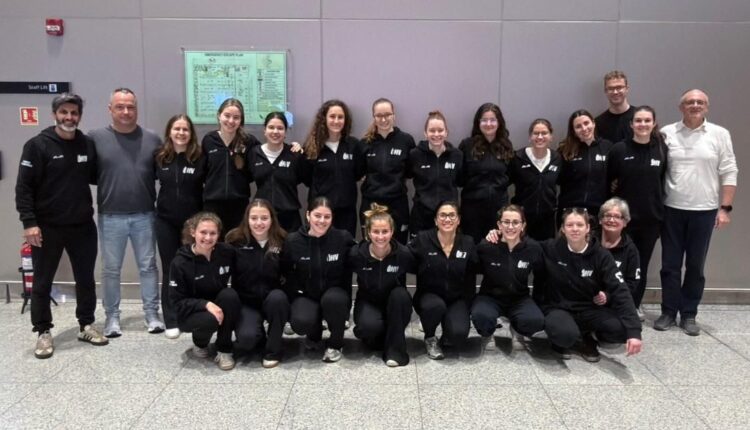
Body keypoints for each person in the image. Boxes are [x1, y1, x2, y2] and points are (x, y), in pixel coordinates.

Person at [15, 93, 108, 358]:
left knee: (85, 279)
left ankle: (86, 325)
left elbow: (97, 176)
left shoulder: (86, 144)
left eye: (74, 113)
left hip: (82, 225)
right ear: (54, 114)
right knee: (42, 281)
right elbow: (23, 188)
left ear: (80, 116)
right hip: (46, 228)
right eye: (64, 112)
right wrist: (29, 223)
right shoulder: (37, 145)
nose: (69, 117)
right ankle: (43, 331)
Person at [656, 89, 738, 336]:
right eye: (690, 102)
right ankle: (668, 311)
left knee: (695, 266)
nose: (695, 105)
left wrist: (725, 208)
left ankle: (689, 313)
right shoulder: (667, 133)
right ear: (681, 107)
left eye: (700, 102)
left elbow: (729, 170)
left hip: (704, 211)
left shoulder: (719, 134)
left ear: (707, 107)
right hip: (671, 209)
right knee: (669, 265)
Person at [89, 88, 164, 337]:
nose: (126, 111)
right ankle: (112, 318)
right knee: (111, 269)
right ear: (110, 109)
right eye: (120, 106)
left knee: (148, 266)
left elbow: (160, 172)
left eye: (131, 107)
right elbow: (90, 173)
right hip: (111, 215)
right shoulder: (95, 138)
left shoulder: (152, 139)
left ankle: (152, 315)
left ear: (136, 109)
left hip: (145, 214)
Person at [534, 208, 642, 362]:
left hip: (589, 308)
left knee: (622, 329)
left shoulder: (601, 255)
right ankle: (572, 338)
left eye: (580, 225)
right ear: (563, 229)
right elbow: (522, 246)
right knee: (564, 335)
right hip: (558, 307)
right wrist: (501, 237)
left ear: (588, 228)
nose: (575, 229)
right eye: (570, 225)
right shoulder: (550, 248)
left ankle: (586, 336)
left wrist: (634, 332)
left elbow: (621, 290)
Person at [607, 106, 668, 316]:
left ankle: (634, 304)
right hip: (622, 220)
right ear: (631, 124)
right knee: (617, 263)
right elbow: (609, 182)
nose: (643, 124)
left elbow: (662, 181)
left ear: (654, 123)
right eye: (638, 121)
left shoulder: (661, 149)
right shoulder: (619, 150)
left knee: (640, 265)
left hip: (651, 219)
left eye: (647, 120)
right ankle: (614, 303)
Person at [280, 197, 355, 362]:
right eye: (317, 215)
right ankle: (314, 334)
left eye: (327, 216)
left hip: (334, 294)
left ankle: (335, 344)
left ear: (332, 218)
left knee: (334, 300)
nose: (322, 221)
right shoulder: (293, 241)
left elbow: (353, 265)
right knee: (300, 322)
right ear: (308, 215)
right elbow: (286, 272)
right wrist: (294, 295)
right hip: (307, 294)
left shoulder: (343, 238)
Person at [154, 114, 205, 339]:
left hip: (192, 224)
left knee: (193, 268)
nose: (181, 133)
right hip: (165, 221)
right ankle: (171, 318)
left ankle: (192, 313)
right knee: (170, 268)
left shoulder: (200, 157)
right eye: (177, 129)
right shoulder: (159, 157)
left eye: (185, 129)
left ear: (191, 133)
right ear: (169, 132)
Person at [169, 212, 240, 370]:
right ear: (193, 232)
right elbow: (176, 302)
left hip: (219, 303)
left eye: (212, 233)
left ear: (218, 235)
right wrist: (205, 304)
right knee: (209, 320)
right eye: (203, 232)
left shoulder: (226, 253)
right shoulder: (180, 263)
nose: (208, 238)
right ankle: (200, 343)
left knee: (230, 295)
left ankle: (224, 350)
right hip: (192, 311)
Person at [225, 199, 289, 368]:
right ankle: (258, 335)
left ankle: (273, 350)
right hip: (247, 302)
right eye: (254, 218)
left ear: (272, 219)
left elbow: (289, 273)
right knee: (247, 340)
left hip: (273, 300)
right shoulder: (234, 240)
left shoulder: (282, 240)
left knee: (278, 298)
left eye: (264, 218)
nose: (259, 223)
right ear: (247, 219)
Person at [349, 203, 415, 367]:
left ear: (392, 232)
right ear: (368, 233)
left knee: (400, 294)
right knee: (369, 330)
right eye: (376, 232)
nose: (380, 236)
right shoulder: (357, 254)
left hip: (396, 304)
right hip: (368, 301)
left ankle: (395, 353)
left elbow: (421, 273)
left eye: (385, 231)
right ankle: (375, 334)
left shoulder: (403, 254)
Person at [409, 201, 477, 360]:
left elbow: (471, 275)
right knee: (435, 307)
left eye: (452, 215)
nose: (447, 219)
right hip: (429, 296)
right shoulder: (423, 239)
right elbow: (405, 259)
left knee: (458, 334)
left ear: (458, 220)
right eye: (443, 215)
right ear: (435, 220)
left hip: (456, 298)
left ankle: (447, 334)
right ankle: (430, 337)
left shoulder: (468, 242)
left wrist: (468, 303)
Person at [472, 205, 545, 352]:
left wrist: (539, 301)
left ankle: (517, 331)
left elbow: (542, 276)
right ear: (499, 225)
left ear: (523, 225)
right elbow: (470, 269)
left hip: (519, 298)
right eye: (506, 222)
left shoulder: (533, 248)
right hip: (490, 297)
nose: (510, 227)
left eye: (515, 222)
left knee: (535, 321)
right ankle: (487, 334)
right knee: (481, 316)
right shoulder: (486, 246)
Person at [303, 99, 364, 236]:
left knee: (345, 246)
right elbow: (306, 178)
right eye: (332, 116)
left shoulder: (353, 145)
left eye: (340, 117)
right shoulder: (312, 147)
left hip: (346, 212)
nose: (336, 121)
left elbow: (358, 173)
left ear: (345, 120)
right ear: (324, 119)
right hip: (320, 213)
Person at [360, 98, 416, 243]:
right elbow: (359, 172)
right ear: (374, 117)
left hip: (397, 203)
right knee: (370, 245)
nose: (383, 119)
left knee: (399, 245)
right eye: (379, 115)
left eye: (387, 115)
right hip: (371, 203)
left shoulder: (406, 141)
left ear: (394, 115)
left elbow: (410, 172)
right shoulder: (365, 143)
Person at [201, 98, 259, 235]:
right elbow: (203, 171)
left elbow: (264, 159)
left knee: (237, 242)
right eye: (227, 116)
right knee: (213, 242)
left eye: (236, 117)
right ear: (219, 116)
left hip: (239, 204)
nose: (231, 121)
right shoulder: (209, 140)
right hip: (213, 204)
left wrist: (292, 147)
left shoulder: (249, 141)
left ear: (241, 120)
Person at [458, 103, 513, 244]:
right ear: (478, 123)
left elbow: (510, 176)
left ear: (499, 122)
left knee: (495, 247)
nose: (488, 124)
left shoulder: (506, 146)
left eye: (493, 120)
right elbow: (460, 177)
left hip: (498, 209)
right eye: (484, 120)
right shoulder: (467, 145)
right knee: (472, 247)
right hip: (472, 209)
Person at [248, 112, 308, 232]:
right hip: (262, 219)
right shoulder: (254, 153)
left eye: (280, 128)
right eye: (271, 127)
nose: (275, 131)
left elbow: (305, 178)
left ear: (285, 132)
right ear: (265, 130)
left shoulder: (294, 154)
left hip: (290, 219)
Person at [408, 110, 463, 238]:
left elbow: (461, 180)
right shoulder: (415, 155)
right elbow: (407, 174)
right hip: (421, 216)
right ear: (425, 133)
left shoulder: (457, 155)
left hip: (448, 218)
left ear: (446, 132)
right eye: (432, 130)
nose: (436, 134)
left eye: (440, 130)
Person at [557, 109, 613, 225]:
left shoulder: (608, 147)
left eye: (586, 123)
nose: (584, 128)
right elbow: (557, 179)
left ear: (593, 123)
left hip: (598, 211)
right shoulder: (565, 150)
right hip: (570, 211)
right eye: (578, 126)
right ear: (573, 131)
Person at [508, 118, 561, 241]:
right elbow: (505, 181)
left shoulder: (557, 159)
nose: (540, 137)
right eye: (536, 133)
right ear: (530, 137)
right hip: (521, 220)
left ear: (551, 137)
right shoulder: (518, 158)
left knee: (545, 251)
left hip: (547, 220)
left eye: (544, 133)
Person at [596, 198, 641, 318]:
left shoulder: (631, 250)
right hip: (587, 301)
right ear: (600, 220)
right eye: (607, 216)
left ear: (625, 222)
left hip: (616, 304)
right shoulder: (589, 243)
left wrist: (608, 296)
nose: (611, 220)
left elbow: (632, 283)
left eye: (617, 217)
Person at [595, 70, 635, 143]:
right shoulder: (598, 123)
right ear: (605, 91)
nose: (615, 92)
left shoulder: (640, 118)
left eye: (619, 87)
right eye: (610, 88)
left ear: (627, 89)